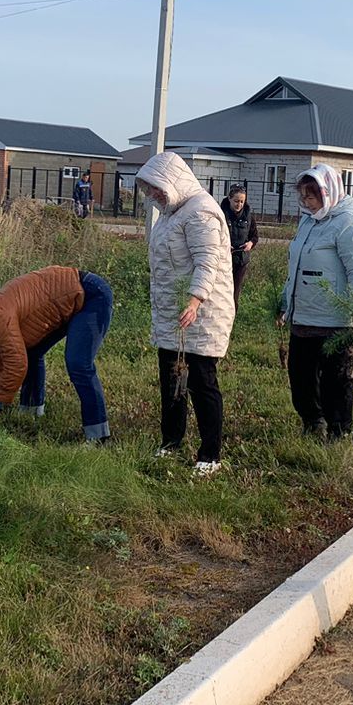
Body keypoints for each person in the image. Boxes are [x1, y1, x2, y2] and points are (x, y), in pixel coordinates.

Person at [135, 151, 235, 476]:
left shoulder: (201, 212)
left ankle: (210, 455)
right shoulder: (171, 213)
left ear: (173, 181)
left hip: (201, 314)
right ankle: (171, 440)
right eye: (149, 188)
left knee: (201, 382)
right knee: (172, 378)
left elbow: (209, 262)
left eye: (156, 187)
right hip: (172, 313)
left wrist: (194, 301)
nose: (153, 195)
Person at [0, 265, 115, 441]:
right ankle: (31, 414)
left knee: (78, 364)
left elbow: (16, 365)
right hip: (65, 299)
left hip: (90, 294)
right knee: (30, 352)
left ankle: (98, 436)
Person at [277, 164, 353, 440]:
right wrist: (285, 303)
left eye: (312, 197)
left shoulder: (348, 225)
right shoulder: (308, 221)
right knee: (301, 378)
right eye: (304, 197)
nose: (307, 203)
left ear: (328, 192)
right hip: (303, 316)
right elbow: (294, 266)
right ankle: (312, 421)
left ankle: (338, 430)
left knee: (336, 381)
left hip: (335, 321)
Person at [220, 184, 259, 307]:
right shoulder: (220, 214)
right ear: (229, 199)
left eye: (242, 201)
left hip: (241, 261)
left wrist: (250, 244)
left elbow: (255, 236)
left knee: (234, 293)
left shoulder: (248, 216)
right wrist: (224, 246)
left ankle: (232, 320)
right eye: (236, 201)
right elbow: (214, 236)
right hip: (224, 260)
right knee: (222, 293)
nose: (239, 204)